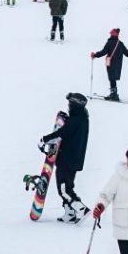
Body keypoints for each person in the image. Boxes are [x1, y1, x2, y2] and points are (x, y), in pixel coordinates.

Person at [47, 91, 90, 220]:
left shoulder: (76, 120)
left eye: (70, 104)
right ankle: (70, 213)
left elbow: (62, 133)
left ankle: (80, 209)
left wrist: (45, 139)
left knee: (64, 189)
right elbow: (68, 131)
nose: (68, 106)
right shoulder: (80, 119)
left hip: (68, 160)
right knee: (66, 186)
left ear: (75, 105)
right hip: (71, 159)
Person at [91, 28, 128, 101]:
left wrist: (95, 55)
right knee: (113, 78)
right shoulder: (120, 43)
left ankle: (114, 95)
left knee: (111, 78)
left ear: (113, 34)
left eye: (111, 34)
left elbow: (103, 52)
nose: (110, 35)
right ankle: (113, 94)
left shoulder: (109, 43)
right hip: (118, 63)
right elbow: (126, 52)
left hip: (110, 62)